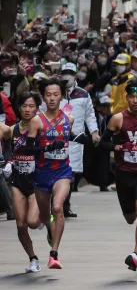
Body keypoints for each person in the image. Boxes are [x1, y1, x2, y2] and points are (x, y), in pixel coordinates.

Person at [97, 79, 137, 271]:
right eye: (131, 97)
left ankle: (135, 254)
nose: (135, 101)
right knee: (130, 217)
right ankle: (132, 223)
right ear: (126, 98)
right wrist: (115, 146)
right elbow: (102, 143)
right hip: (124, 174)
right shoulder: (117, 119)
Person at [33, 78, 77, 269]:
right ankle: (50, 226)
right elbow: (28, 148)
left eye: (55, 94)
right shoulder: (36, 121)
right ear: (43, 97)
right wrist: (47, 147)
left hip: (62, 172)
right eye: (48, 95)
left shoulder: (69, 119)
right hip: (42, 173)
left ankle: (54, 254)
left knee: (58, 207)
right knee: (44, 216)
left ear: (62, 97)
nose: (52, 98)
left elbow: (70, 136)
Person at [1, 92, 46, 273]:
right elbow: (8, 149)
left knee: (33, 222)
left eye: (31, 106)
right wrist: (9, 162)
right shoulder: (12, 130)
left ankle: (46, 216)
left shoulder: (42, 127)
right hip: (18, 180)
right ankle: (33, 259)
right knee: (21, 225)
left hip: (36, 180)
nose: (27, 110)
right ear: (19, 108)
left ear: (37, 108)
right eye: (24, 106)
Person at [57, 63, 100, 218]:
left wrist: (94, 132)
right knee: (58, 172)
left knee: (73, 173)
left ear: (75, 75)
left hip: (76, 140)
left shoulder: (83, 94)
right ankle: (58, 205)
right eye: (64, 73)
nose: (67, 76)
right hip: (57, 138)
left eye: (70, 73)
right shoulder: (56, 93)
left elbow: (90, 114)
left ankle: (66, 205)